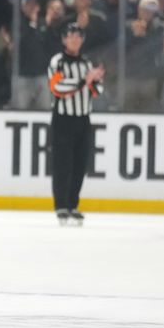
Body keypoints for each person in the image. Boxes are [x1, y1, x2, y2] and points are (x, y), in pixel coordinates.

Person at [47, 23, 104, 226]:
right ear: (64, 40)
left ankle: (73, 204)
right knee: (62, 163)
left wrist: (94, 81)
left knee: (80, 164)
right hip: (63, 119)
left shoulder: (87, 63)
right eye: (71, 36)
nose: (75, 39)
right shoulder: (58, 62)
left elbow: (98, 91)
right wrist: (84, 82)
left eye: (78, 36)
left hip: (83, 119)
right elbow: (57, 88)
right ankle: (61, 206)